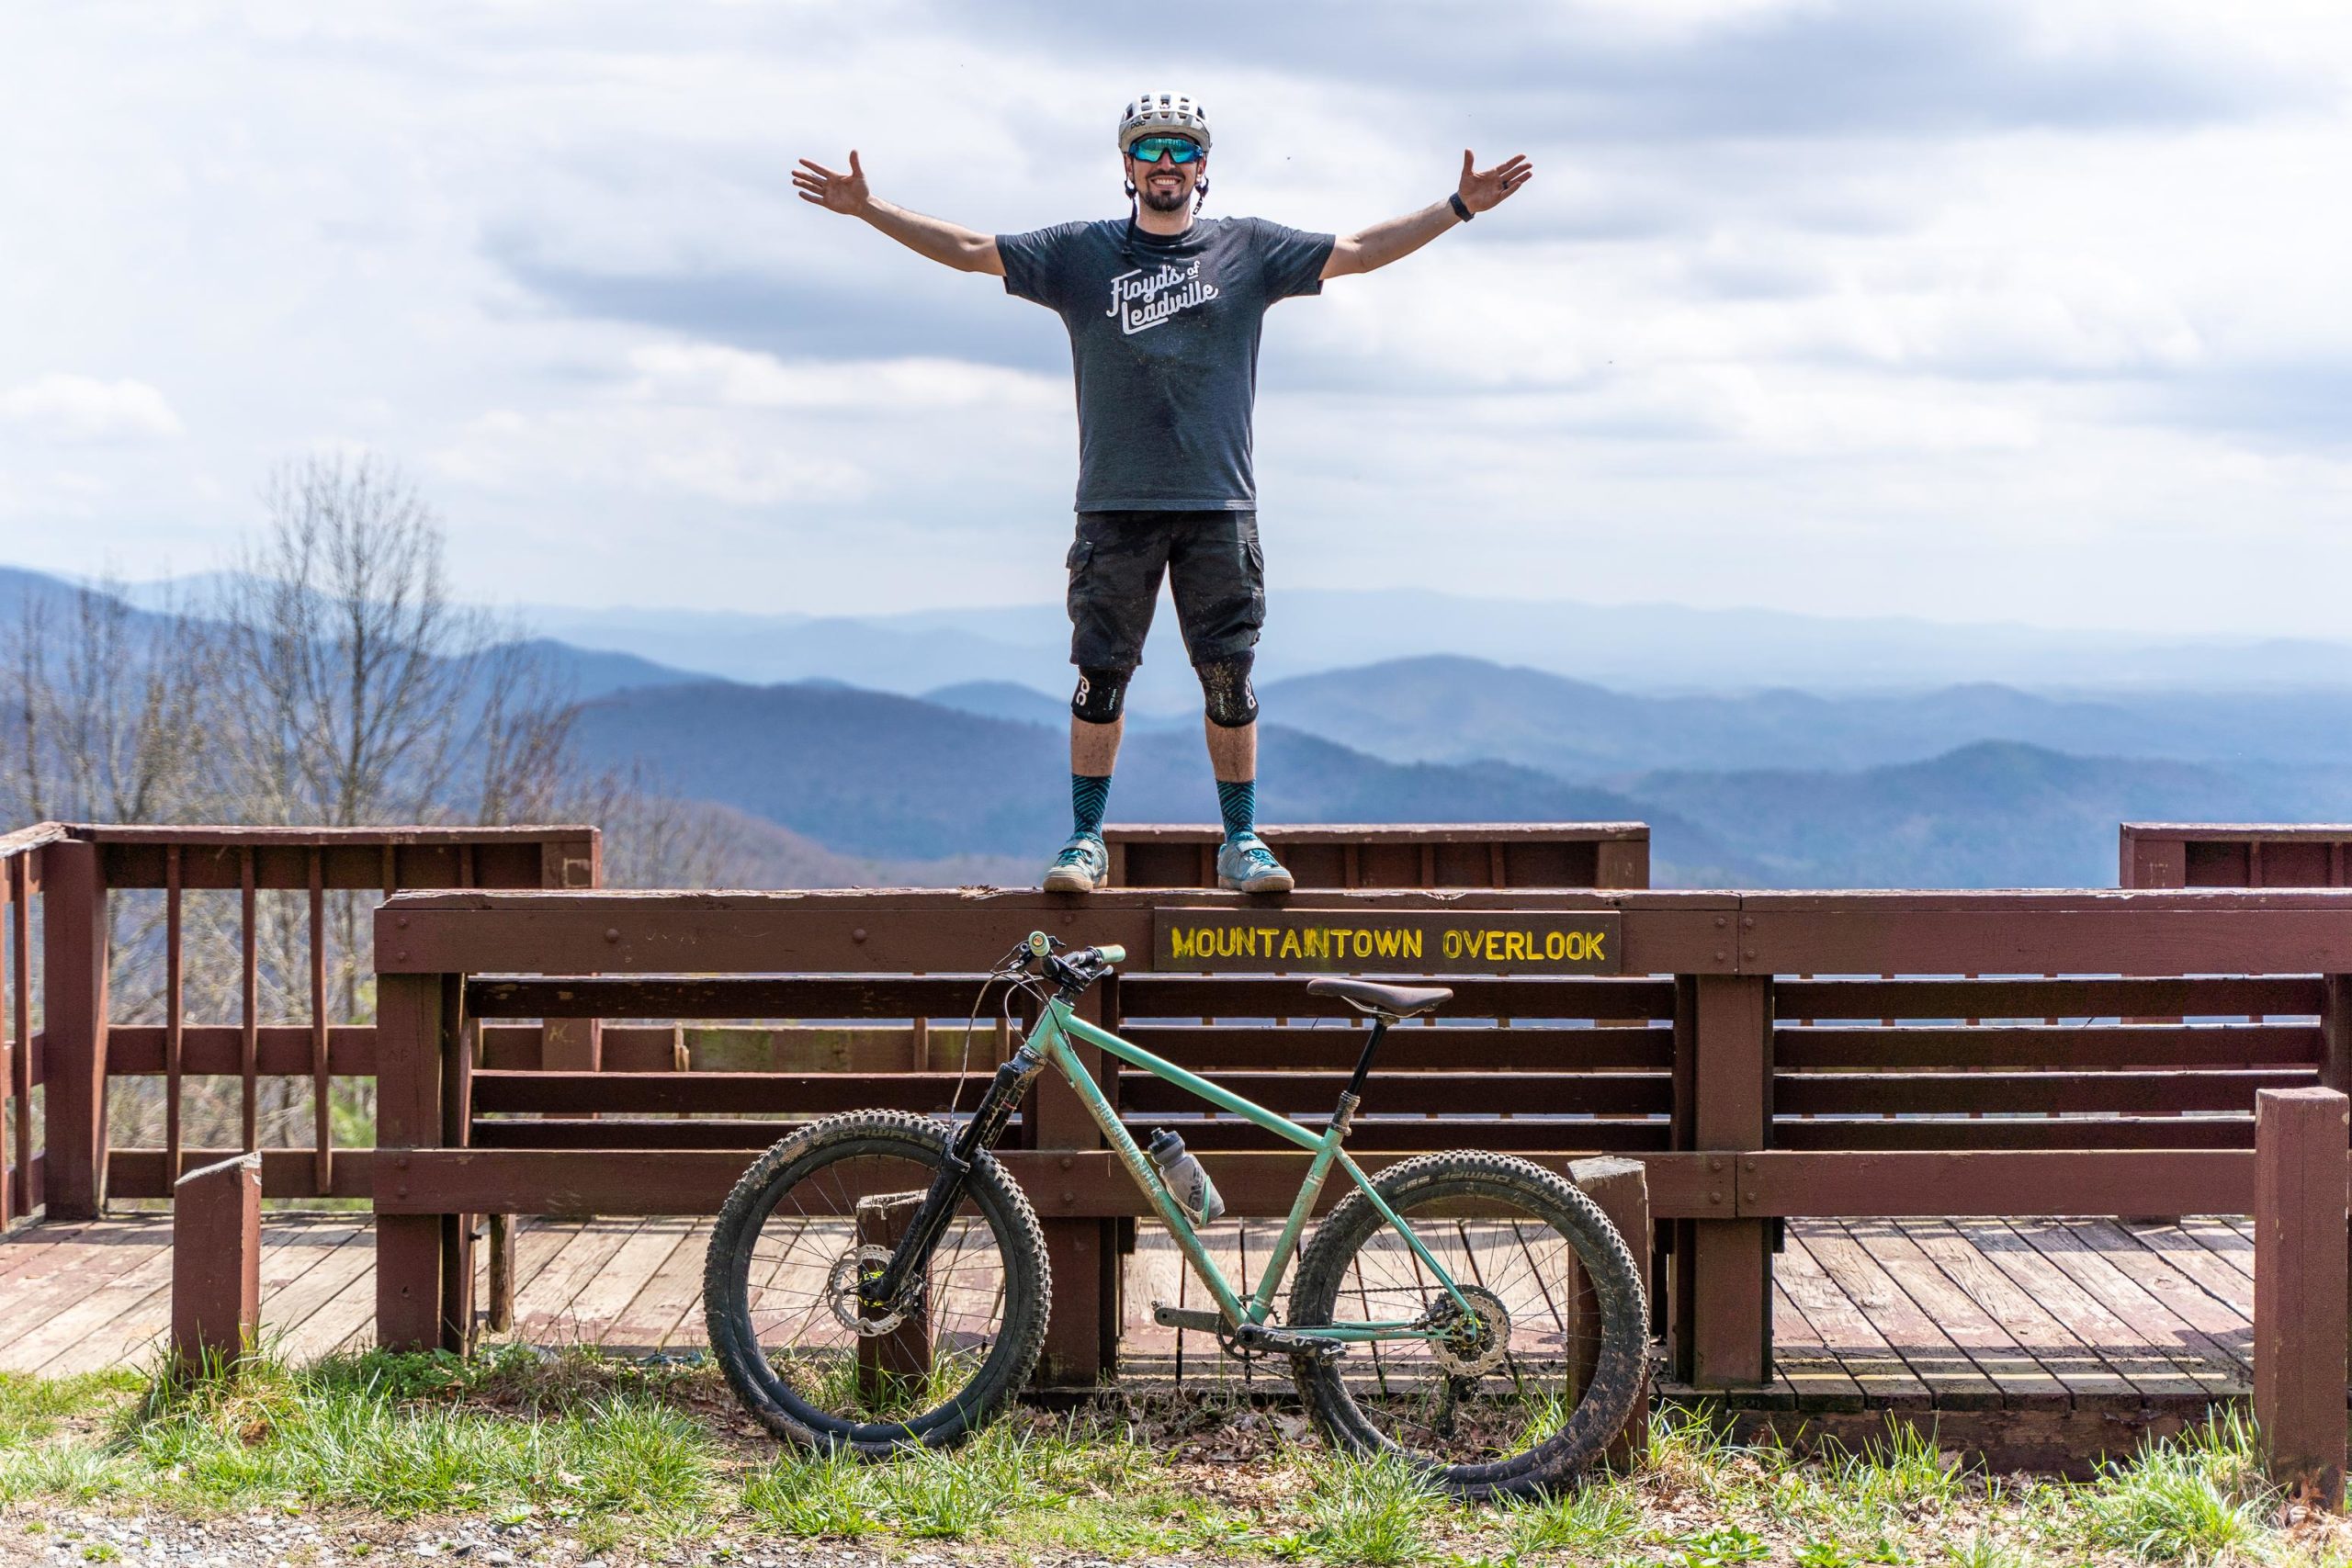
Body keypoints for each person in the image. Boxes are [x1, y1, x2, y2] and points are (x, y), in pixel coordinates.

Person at [794, 93, 1532, 893]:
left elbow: (1357, 250)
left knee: (1230, 678)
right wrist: (868, 210)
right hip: (1114, 504)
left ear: (1203, 167)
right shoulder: (1082, 253)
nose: (1167, 164)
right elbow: (974, 248)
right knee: (1100, 677)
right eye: (1151, 150)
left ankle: (1242, 841)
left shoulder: (1248, 249)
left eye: (1182, 150)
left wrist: (1458, 206)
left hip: (1219, 505)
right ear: (1127, 167)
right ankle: (1084, 841)